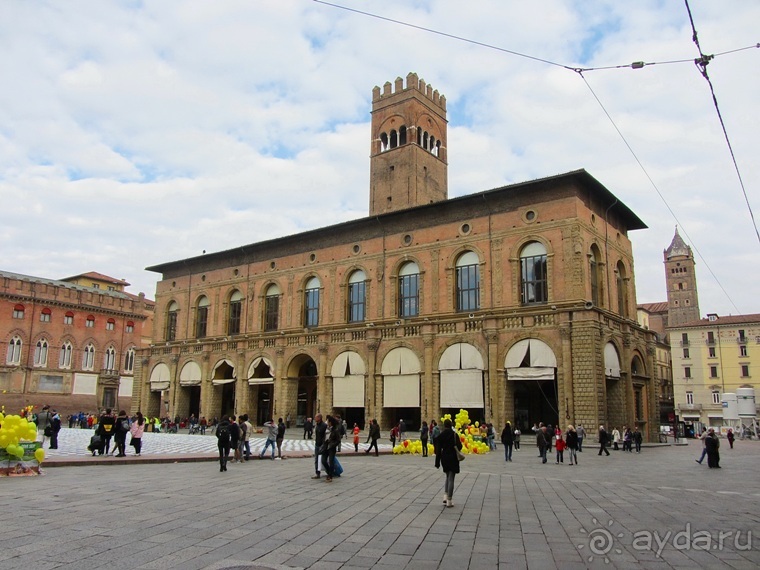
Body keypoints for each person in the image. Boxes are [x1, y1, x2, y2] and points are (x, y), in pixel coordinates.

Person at [434, 418, 463, 508]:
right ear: (451, 425)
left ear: (444, 425)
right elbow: (460, 446)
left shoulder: (441, 435)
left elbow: (438, 450)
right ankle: (449, 500)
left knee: (447, 476)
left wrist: (437, 462)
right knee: (451, 478)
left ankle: (445, 496)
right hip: (453, 457)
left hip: (444, 458)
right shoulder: (454, 435)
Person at [323, 415, 341, 482]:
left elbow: (338, 440)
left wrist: (333, 445)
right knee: (323, 460)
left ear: (331, 422)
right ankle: (329, 472)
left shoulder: (335, 430)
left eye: (328, 421)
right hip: (326, 446)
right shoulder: (327, 428)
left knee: (331, 461)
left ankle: (330, 476)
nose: (327, 422)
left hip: (331, 448)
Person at [312, 414, 327, 478]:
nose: (315, 419)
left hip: (322, 445)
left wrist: (324, 444)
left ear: (319, 418)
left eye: (316, 417)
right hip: (317, 444)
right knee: (316, 459)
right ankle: (317, 473)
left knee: (324, 460)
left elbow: (325, 435)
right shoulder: (316, 425)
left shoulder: (324, 425)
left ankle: (329, 471)